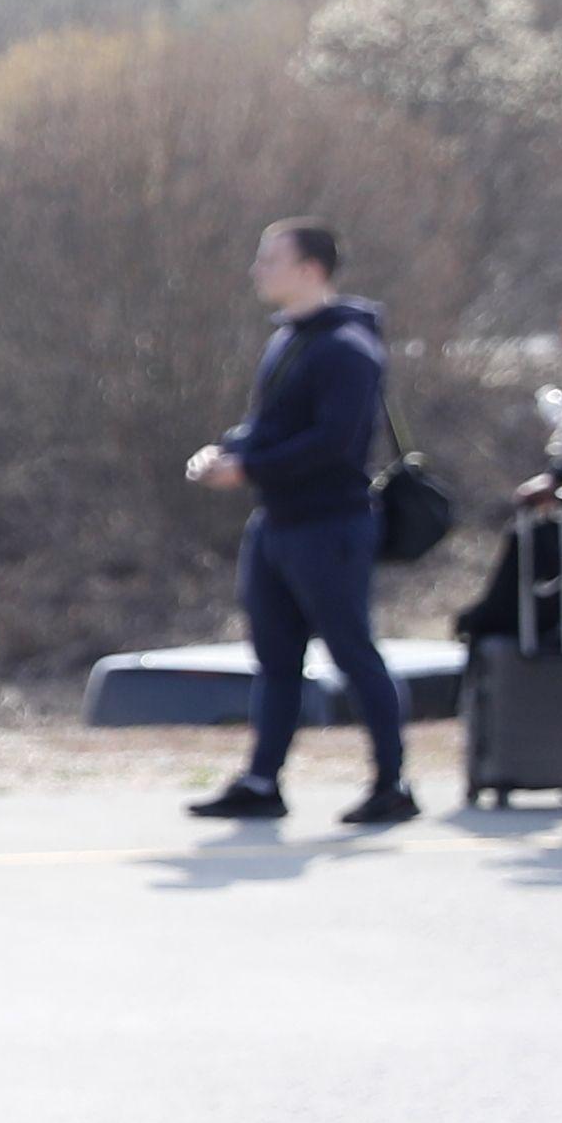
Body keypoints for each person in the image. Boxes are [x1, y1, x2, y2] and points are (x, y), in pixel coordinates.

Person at [181, 215, 416, 828]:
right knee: (275, 658)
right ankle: (263, 781)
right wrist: (227, 450)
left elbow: (336, 442)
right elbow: (271, 424)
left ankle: (392, 784)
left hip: (330, 525)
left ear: (311, 269)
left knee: (352, 653)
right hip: (277, 523)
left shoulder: (348, 347)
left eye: (270, 260)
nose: (257, 271)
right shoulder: (288, 338)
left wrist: (249, 466)